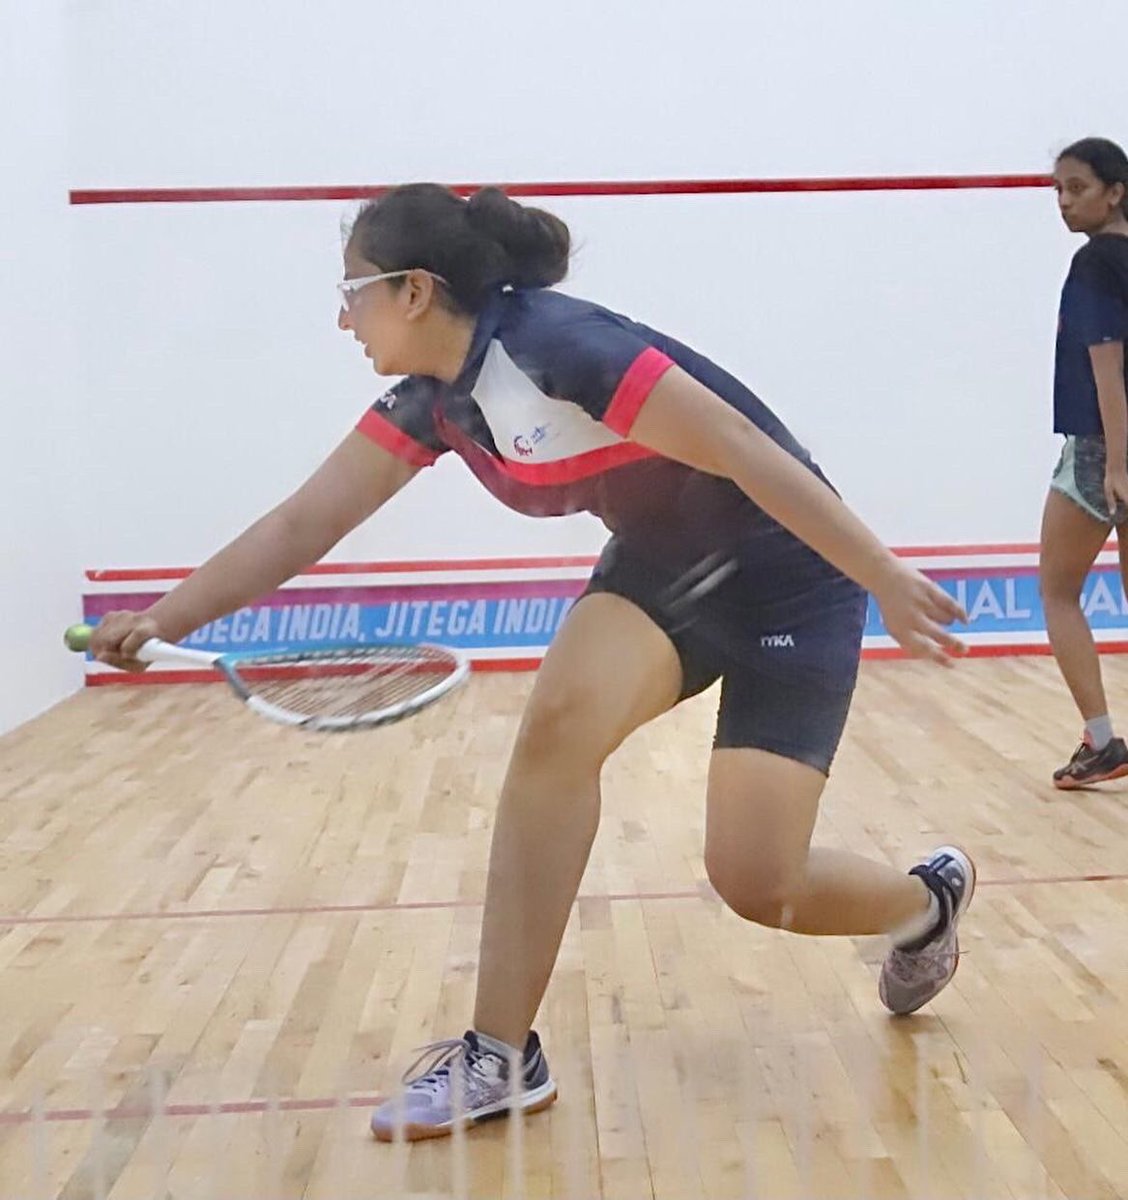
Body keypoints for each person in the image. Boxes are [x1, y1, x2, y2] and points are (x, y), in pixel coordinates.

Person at [90, 183, 975, 1142]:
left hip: (793, 580)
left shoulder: (566, 349)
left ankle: (923, 906)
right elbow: (304, 523)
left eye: (353, 292)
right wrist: (159, 615)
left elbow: (744, 448)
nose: (342, 316)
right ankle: (500, 1055)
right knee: (555, 732)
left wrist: (879, 572)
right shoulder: (438, 401)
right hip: (664, 575)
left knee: (760, 882)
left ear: (416, 291)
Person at [1039, 138, 1128, 789]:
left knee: (1058, 589)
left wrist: (1115, 465)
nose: (1065, 201)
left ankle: (1102, 742)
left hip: (1103, 450)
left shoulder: (1095, 263)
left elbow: (1108, 370)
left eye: (1077, 188)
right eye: (1058, 190)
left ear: (1114, 191)